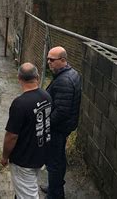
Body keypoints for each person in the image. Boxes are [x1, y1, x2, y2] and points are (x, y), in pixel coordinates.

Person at [0, 63, 52, 199]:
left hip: (24, 159)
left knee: (28, 195)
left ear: (19, 78)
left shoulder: (20, 104)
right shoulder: (46, 96)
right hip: (40, 153)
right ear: (37, 76)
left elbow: (11, 135)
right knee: (24, 189)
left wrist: (5, 156)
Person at [42, 46, 82, 199]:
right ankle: (54, 187)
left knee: (54, 162)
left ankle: (55, 194)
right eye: (48, 59)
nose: (48, 63)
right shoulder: (71, 74)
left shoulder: (64, 81)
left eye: (52, 60)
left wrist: (46, 124)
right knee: (58, 159)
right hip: (63, 127)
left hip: (58, 129)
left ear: (63, 60)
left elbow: (61, 111)